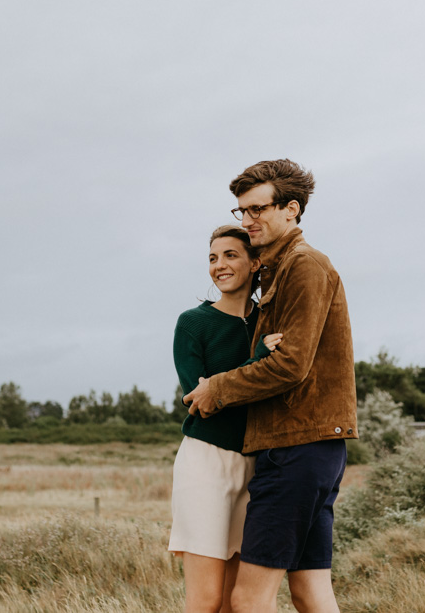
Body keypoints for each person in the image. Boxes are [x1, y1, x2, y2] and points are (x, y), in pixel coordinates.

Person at [183, 159, 357, 613]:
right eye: (242, 210)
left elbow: (290, 366)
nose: (248, 220)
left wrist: (215, 388)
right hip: (311, 448)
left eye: (258, 209)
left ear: (291, 209)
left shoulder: (304, 265)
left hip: (295, 448)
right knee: (310, 592)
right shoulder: (276, 272)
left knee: (248, 600)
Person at [170, 224, 283, 613]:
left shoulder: (267, 324)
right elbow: (200, 401)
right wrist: (257, 363)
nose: (219, 265)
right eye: (213, 258)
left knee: (235, 601)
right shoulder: (193, 323)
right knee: (205, 600)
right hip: (206, 463)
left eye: (230, 255)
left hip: (257, 467)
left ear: (255, 263)